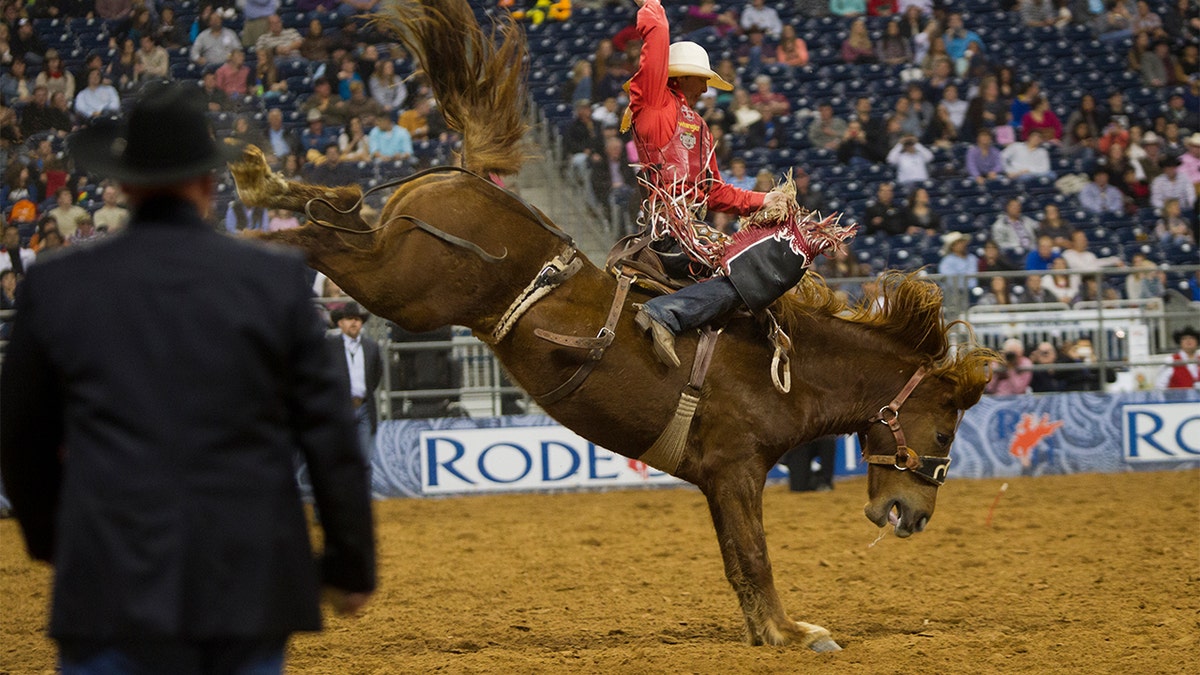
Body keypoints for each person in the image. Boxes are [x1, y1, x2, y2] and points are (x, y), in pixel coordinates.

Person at [0, 81, 375, 674]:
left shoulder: (57, 284)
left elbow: (21, 438)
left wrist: (53, 540)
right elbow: (330, 437)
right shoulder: (274, 281)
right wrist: (349, 564)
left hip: (108, 579)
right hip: (246, 581)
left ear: (123, 185)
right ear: (207, 183)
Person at [624, 0, 852, 367]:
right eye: (703, 78)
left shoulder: (698, 127)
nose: (707, 87)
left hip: (693, 229)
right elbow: (657, 40)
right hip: (667, 232)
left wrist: (765, 199)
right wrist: (653, 6)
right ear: (679, 77)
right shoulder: (654, 105)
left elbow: (714, 191)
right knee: (750, 273)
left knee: (764, 265)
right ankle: (664, 314)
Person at [328, 302, 384, 468]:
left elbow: (376, 375)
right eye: (349, 319)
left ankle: (363, 493)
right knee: (340, 457)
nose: (354, 322)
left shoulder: (371, 347)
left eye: (357, 319)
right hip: (340, 407)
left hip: (364, 405)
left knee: (365, 459)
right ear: (340, 323)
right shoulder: (330, 346)